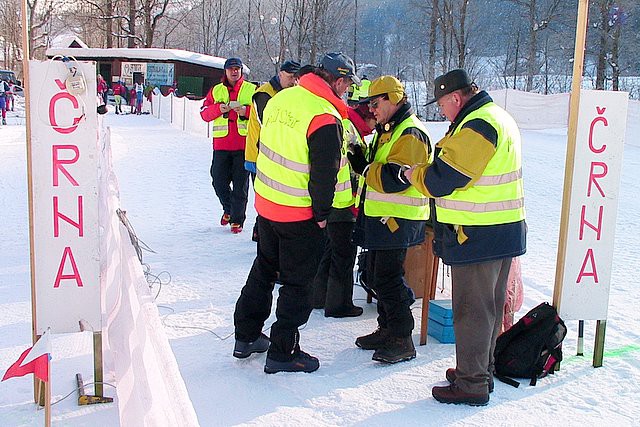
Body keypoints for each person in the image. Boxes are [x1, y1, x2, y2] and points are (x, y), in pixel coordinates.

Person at [405, 69, 526, 405]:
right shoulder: (494, 116)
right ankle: (479, 371)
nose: (442, 111)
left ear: (456, 98)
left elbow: (444, 179)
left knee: (472, 311)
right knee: (487, 308)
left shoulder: (478, 125)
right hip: (499, 230)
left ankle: (471, 383)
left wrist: (415, 174)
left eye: (442, 104)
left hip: (478, 234)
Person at [232, 52, 359, 374]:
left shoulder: (281, 99)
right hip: (299, 214)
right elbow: (323, 173)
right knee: (297, 284)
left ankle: (245, 336)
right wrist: (322, 213)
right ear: (339, 80)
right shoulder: (324, 116)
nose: (346, 91)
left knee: (263, 271)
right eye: (346, 84)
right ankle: (283, 351)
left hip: (267, 203)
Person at [348, 75, 432, 364]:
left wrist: (364, 166)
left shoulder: (410, 133)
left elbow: (395, 178)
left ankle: (402, 337)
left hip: (399, 217)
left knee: (386, 277)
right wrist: (363, 157)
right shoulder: (390, 130)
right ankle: (387, 328)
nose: (371, 109)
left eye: (375, 102)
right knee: (373, 274)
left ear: (393, 99)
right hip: (383, 215)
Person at [311, 101, 376, 318]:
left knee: (330, 252)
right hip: (344, 202)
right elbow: (352, 170)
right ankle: (339, 305)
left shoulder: (346, 123)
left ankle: (318, 296)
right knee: (344, 256)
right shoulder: (350, 130)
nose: (376, 125)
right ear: (367, 117)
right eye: (374, 120)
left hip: (335, 201)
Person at [245, 59, 301, 241]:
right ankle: (262, 233)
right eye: (290, 77)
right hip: (259, 156)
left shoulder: (288, 94)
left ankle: (260, 232)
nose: (294, 81)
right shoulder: (264, 94)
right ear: (280, 74)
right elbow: (270, 124)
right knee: (266, 198)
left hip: (274, 157)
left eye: (296, 78)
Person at [200, 57, 257, 234]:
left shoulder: (251, 89)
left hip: (243, 146)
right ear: (225, 71)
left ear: (241, 71)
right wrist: (219, 109)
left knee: (241, 186)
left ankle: (237, 220)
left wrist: (246, 111)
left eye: (237, 69)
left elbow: (261, 113)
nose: (234, 72)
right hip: (222, 146)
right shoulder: (216, 90)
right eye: (231, 69)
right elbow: (204, 114)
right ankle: (229, 209)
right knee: (218, 181)